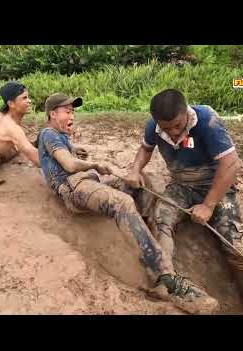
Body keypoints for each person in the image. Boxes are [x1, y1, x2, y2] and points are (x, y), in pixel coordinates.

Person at [37, 93, 219, 315]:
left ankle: (149, 242)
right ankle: (168, 281)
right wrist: (92, 163)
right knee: (121, 202)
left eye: (73, 111)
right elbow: (67, 163)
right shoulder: (48, 133)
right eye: (67, 111)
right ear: (52, 114)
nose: (72, 115)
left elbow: (59, 152)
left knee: (141, 184)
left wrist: (76, 149)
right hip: (74, 187)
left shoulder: (56, 135)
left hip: (85, 183)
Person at [125, 89, 243, 315]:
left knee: (238, 250)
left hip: (215, 186)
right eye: (166, 127)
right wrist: (135, 170)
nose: (172, 133)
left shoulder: (207, 121)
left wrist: (209, 205)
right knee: (161, 219)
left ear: (186, 112)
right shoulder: (154, 125)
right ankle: (167, 280)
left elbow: (231, 164)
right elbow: (145, 148)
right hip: (181, 185)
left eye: (177, 126)